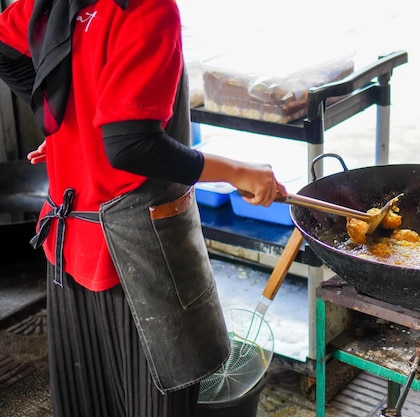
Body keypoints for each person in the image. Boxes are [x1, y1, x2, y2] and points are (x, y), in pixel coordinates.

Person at [0, 0, 287, 416]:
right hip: (136, 263)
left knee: (89, 401)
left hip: (68, 255)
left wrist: (67, 118)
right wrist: (238, 171)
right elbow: (133, 145)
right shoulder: (147, 9)